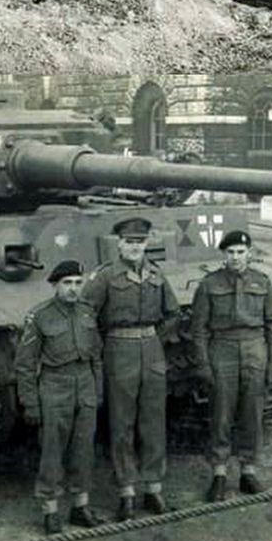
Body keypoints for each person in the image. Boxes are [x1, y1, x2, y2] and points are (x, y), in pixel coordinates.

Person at [81, 217, 180, 520]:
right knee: (121, 424)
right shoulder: (105, 277)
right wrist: (101, 349)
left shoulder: (156, 275)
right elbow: (87, 315)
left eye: (140, 242)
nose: (135, 247)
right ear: (119, 244)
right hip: (117, 350)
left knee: (153, 422)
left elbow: (172, 313)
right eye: (129, 242)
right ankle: (126, 490)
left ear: (147, 243)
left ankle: (153, 487)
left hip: (151, 350)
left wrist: (153, 339)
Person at [190, 230, 272, 503]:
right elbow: (199, 329)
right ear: (223, 255)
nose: (236, 257)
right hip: (223, 349)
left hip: (255, 349)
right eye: (230, 252)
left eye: (241, 252)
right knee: (221, 413)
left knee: (252, 412)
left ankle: (248, 471)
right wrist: (203, 363)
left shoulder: (262, 282)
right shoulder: (209, 284)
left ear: (249, 253)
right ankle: (219, 473)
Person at [15, 259, 103, 534]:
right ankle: (50, 511)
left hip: (85, 383)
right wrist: (30, 403)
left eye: (78, 283)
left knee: (83, 449)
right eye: (67, 283)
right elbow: (25, 365)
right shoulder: (39, 316)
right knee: (52, 451)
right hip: (55, 385)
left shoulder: (87, 312)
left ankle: (80, 506)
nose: (73, 289)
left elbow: (96, 356)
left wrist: (97, 390)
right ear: (55, 285)